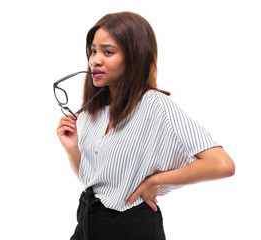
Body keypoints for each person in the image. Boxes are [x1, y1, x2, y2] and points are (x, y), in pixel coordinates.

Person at [55, 11, 235, 240]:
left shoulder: (154, 104)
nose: (95, 60)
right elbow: (94, 179)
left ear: (133, 57)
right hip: (88, 221)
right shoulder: (94, 109)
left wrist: (155, 181)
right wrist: (72, 149)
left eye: (107, 52)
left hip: (131, 228)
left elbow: (222, 164)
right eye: (93, 51)